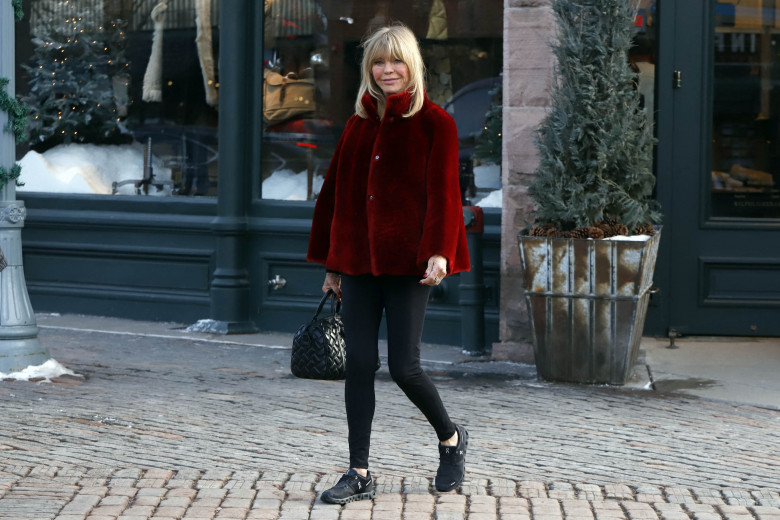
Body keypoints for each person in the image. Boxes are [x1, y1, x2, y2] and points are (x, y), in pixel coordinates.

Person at [307, 23, 471, 504]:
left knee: (405, 367)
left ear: (411, 65)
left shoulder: (435, 123)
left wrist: (440, 250)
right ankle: (358, 471)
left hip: (409, 265)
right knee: (359, 362)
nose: (387, 71)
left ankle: (451, 438)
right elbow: (337, 197)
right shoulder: (358, 123)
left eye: (395, 61)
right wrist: (333, 264)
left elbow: (444, 195)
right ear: (369, 69)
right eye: (378, 62)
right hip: (358, 263)